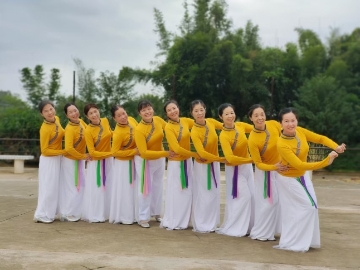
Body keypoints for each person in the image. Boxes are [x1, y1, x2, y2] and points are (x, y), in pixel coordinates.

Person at [275, 107, 345, 252]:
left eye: (293, 120)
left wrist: (335, 147)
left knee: (310, 207)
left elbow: (319, 138)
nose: (290, 124)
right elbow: (299, 164)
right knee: (309, 207)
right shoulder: (282, 144)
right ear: (281, 124)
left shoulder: (300, 131)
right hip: (289, 179)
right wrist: (326, 161)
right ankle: (294, 242)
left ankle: (305, 240)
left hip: (302, 176)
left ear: (297, 120)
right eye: (286, 121)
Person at [247, 104, 287, 241]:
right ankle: (261, 232)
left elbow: (285, 137)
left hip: (280, 170)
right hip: (265, 173)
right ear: (250, 118)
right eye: (256, 115)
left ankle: (272, 231)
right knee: (268, 203)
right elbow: (257, 163)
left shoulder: (274, 124)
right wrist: (273, 167)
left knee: (280, 202)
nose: (260, 118)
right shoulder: (252, 139)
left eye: (262, 114)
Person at [134, 100, 175, 228]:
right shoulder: (139, 130)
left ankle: (156, 212)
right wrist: (166, 153)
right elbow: (144, 152)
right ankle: (143, 217)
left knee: (158, 186)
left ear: (153, 109)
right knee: (145, 189)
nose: (147, 112)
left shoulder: (157, 120)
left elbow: (169, 128)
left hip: (159, 159)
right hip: (145, 161)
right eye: (144, 110)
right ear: (139, 113)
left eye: (149, 108)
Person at [216, 103, 255, 237]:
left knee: (253, 197)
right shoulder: (223, 135)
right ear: (221, 117)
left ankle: (249, 227)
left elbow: (259, 128)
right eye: (226, 114)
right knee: (243, 196)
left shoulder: (241, 126)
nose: (230, 116)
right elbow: (230, 158)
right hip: (234, 170)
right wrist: (251, 159)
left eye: (232, 112)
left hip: (247, 167)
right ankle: (236, 227)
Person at [160, 100, 197, 230]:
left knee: (187, 192)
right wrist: (196, 154)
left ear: (178, 108)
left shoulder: (186, 121)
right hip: (176, 164)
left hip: (188, 163)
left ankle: (184, 220)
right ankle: (174, 220)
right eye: (169, 110)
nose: (173, 111)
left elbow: (202, 124)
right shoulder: (168, 127)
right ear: (166, 114)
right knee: (177, 192)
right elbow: (176, 148)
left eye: (174, 108)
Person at [190, 100, 225, 233]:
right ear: (192, 113)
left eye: (201, 109)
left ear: (205, 109)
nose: (199, 113)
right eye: (196, 111)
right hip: (203, 167)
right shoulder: (194, 131)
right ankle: (202, 223)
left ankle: (212, 222)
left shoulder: (211, 122)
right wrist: (221, 158)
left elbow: (227, 127)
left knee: (214, 194)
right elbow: (201, 152)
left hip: (214, 164)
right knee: (203, 195)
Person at [34, 100, 65, 224]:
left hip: (57, 158)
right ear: (42, 114)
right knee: (48, 187)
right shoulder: (44, 129)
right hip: (48, 160)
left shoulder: (56, 119)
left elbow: (63, 133)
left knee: (56, 187)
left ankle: (51, 212)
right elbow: (45, 150)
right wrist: (63, 151)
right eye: (45, 111)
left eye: (51, 109)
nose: (49, 112)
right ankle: (43, 214)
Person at [82, 104, 113, 223]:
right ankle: (96, 213)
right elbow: (92, 152)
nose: (94, 115)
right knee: (97, 189)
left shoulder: (105, 121)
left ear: (99, 111)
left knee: (109, 186)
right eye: (91, 113)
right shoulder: (88, 131)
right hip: (96, 163)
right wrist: (111, 154)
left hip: (109, 161)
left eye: (95, 111)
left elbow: (112, 134)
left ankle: (107, 212)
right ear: (87, 116)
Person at [59, 103, 90, 222]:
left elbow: (90, 133)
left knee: (81, 186)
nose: (74, 113)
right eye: (70, 112)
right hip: (70, 161)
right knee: (72, 186)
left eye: (75, 110)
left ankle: (76, 211)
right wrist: (83, 156)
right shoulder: (69, 128)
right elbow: (69, 149)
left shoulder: (82, 122)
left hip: (80, 160)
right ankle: (67, 212)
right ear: (67, 115)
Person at [109, 105, 138, 225]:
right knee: (125, 190)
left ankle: (136, 214)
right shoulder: (118, 133)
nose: (123, 117)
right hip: (123, 164)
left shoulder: (132, 120)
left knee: (135, 189)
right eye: (119, 116)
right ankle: (125, 216)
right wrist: (133, 151)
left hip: (135, 161)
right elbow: (114, 152)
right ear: (114, 119)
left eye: (124, 113)